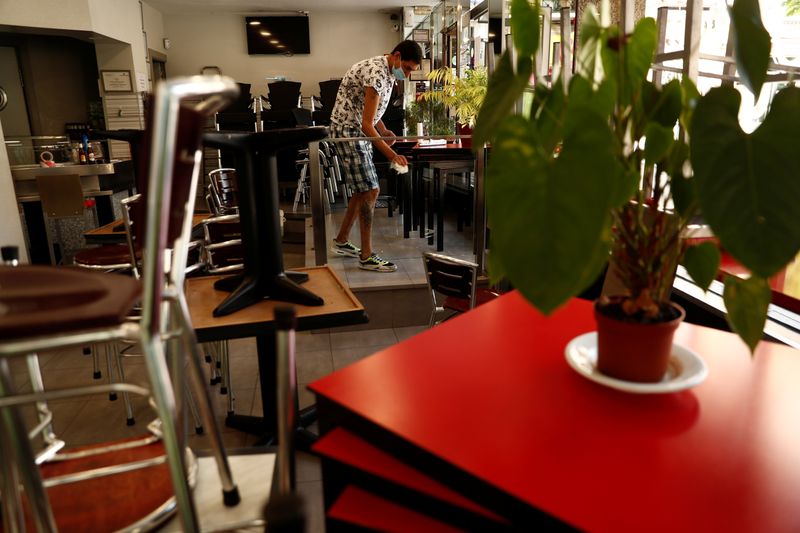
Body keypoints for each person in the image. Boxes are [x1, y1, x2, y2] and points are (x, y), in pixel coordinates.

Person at [329, 40, 422, 272]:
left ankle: (341, 241)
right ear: (398, 56)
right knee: (371, 189)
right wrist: (392, 155)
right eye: (408, 68)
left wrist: (383, 130)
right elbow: (366, 124)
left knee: (363, 189)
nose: (408, 74)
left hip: (353, 129)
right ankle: (366, 255)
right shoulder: (377, 74)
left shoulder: (384, 68)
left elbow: (368, 112)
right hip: (348, 131)